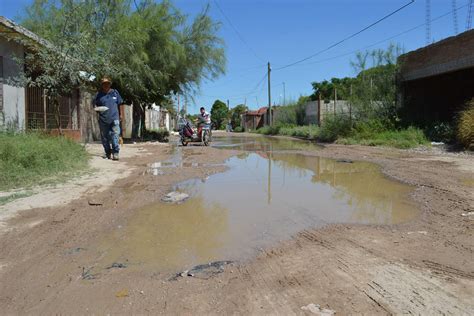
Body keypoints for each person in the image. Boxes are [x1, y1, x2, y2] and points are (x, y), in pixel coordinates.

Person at [94, 77, 123, 160]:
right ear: (102, 85)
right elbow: (95, 105)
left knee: (115, 135)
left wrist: (120, 115)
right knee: (104, 137)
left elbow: (119, 103)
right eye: (104, 84)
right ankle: (107, 152)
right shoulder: (99, 95)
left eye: (107, 83)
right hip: (103, 119)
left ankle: (116, 152)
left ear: (110, 84)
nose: (106, 85)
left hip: (115, 118)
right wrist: (96, 109)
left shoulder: (115, 93)